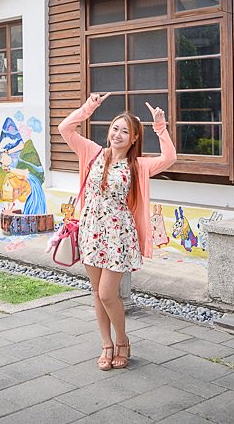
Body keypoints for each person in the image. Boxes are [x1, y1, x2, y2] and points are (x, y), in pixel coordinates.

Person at [57, 92, 177, 370]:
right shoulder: (92, 153)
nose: (118, 134)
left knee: (108, 293)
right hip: (90, 231)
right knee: (97, 293)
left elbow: (170, 157)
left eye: (125, 131)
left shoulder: (138, 165)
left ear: (134, 138)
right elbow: (65, 128)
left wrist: (160, 126)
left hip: (118, 236)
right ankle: (106, 345)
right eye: (115, 128)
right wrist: (88, 106)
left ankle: (122, 340)